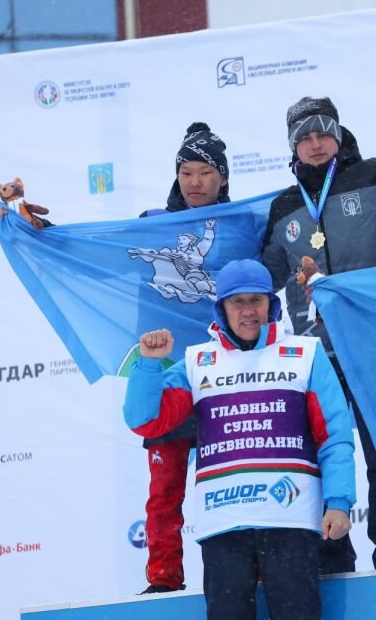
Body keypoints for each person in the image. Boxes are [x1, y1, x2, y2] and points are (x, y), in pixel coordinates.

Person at [261, 96, 376, 572]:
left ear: (338, 137)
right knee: (320, 452)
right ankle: (331, 554)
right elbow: (260, 276)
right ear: (293, 148)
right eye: (304, 137)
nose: (315, 143)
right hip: (315, 354)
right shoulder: (283, 207)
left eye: (323, 133)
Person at [123, 259, 356, 620]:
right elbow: (146, 421)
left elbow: (334, 437)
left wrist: (339, 502)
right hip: (223, 524)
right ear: (222, 308)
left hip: (291, 521)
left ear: (271, 304)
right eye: (237, 302)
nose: (248, 312)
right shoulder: (197, 361)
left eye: (256, 301)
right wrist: (150, 364)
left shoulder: (305, 354)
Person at [137, 122, 233, 594]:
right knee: (165, 490)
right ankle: (163, 579)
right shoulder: (151, 222)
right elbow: (96, 248)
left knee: (233, 485)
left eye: (204, 172)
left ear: (222, 177)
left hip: (226, 373)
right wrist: (40, 232)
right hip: (169, 377)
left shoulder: (242, 223)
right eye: (186, 172)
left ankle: (241, 573)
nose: (194, 182)